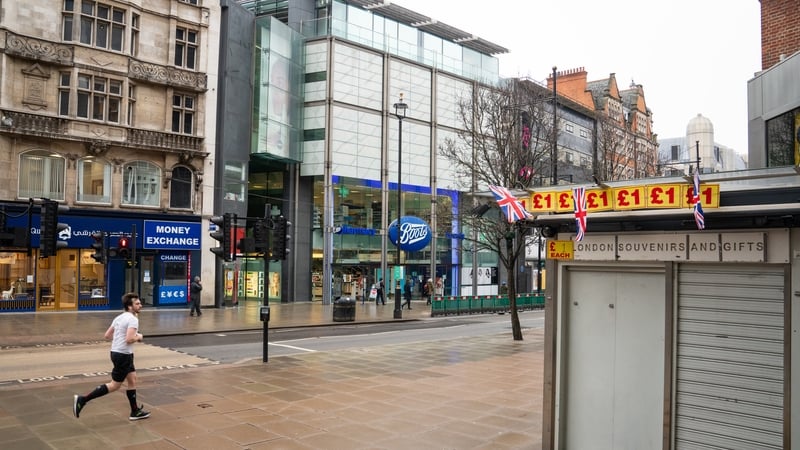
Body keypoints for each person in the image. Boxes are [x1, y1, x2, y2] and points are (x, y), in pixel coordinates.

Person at [72, 293, 150, 421]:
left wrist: (120, 340)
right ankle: (83, 400)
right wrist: (139, 337)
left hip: (118, 352)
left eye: (140, 303)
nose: (140, 305)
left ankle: (135, 411)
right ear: (130, 307)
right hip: (123, 355)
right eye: (137, 304)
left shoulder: (119, 318)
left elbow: (107, 335)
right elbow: (130, 339)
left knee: (132, 379)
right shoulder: (133, 319)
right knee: (115, 385)